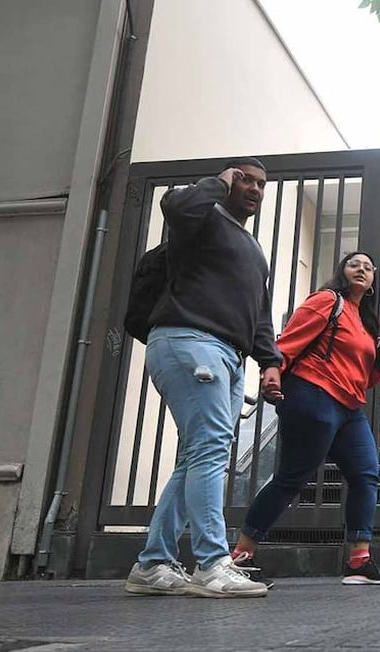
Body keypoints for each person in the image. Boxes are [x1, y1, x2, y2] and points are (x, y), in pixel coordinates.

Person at [124, 158, 281, 598]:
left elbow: (259, 312)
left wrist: (270, 361)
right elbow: (176, 207)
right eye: (244, 179)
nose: (253, 188)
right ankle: (212, 564)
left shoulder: (251, 248)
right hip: (190, 341)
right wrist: (216, 182)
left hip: (229, 355)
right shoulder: (200, 217)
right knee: (209, 451)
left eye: (260, 184)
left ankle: (152, 564)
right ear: (226, 180)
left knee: (196, 457)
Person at [232, 251, 380, 586]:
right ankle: (241, 554)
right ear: (342, 271)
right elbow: (289, 341)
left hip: (350, 408)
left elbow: (366, 380)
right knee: (291, 479)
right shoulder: (328, 301)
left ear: (372, 282)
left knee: (366, 474)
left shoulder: (364, 322)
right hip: (315, 395)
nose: (362, 270)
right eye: (355, 264)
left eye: (368, 267)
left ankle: (358, 561)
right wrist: (273, 373)